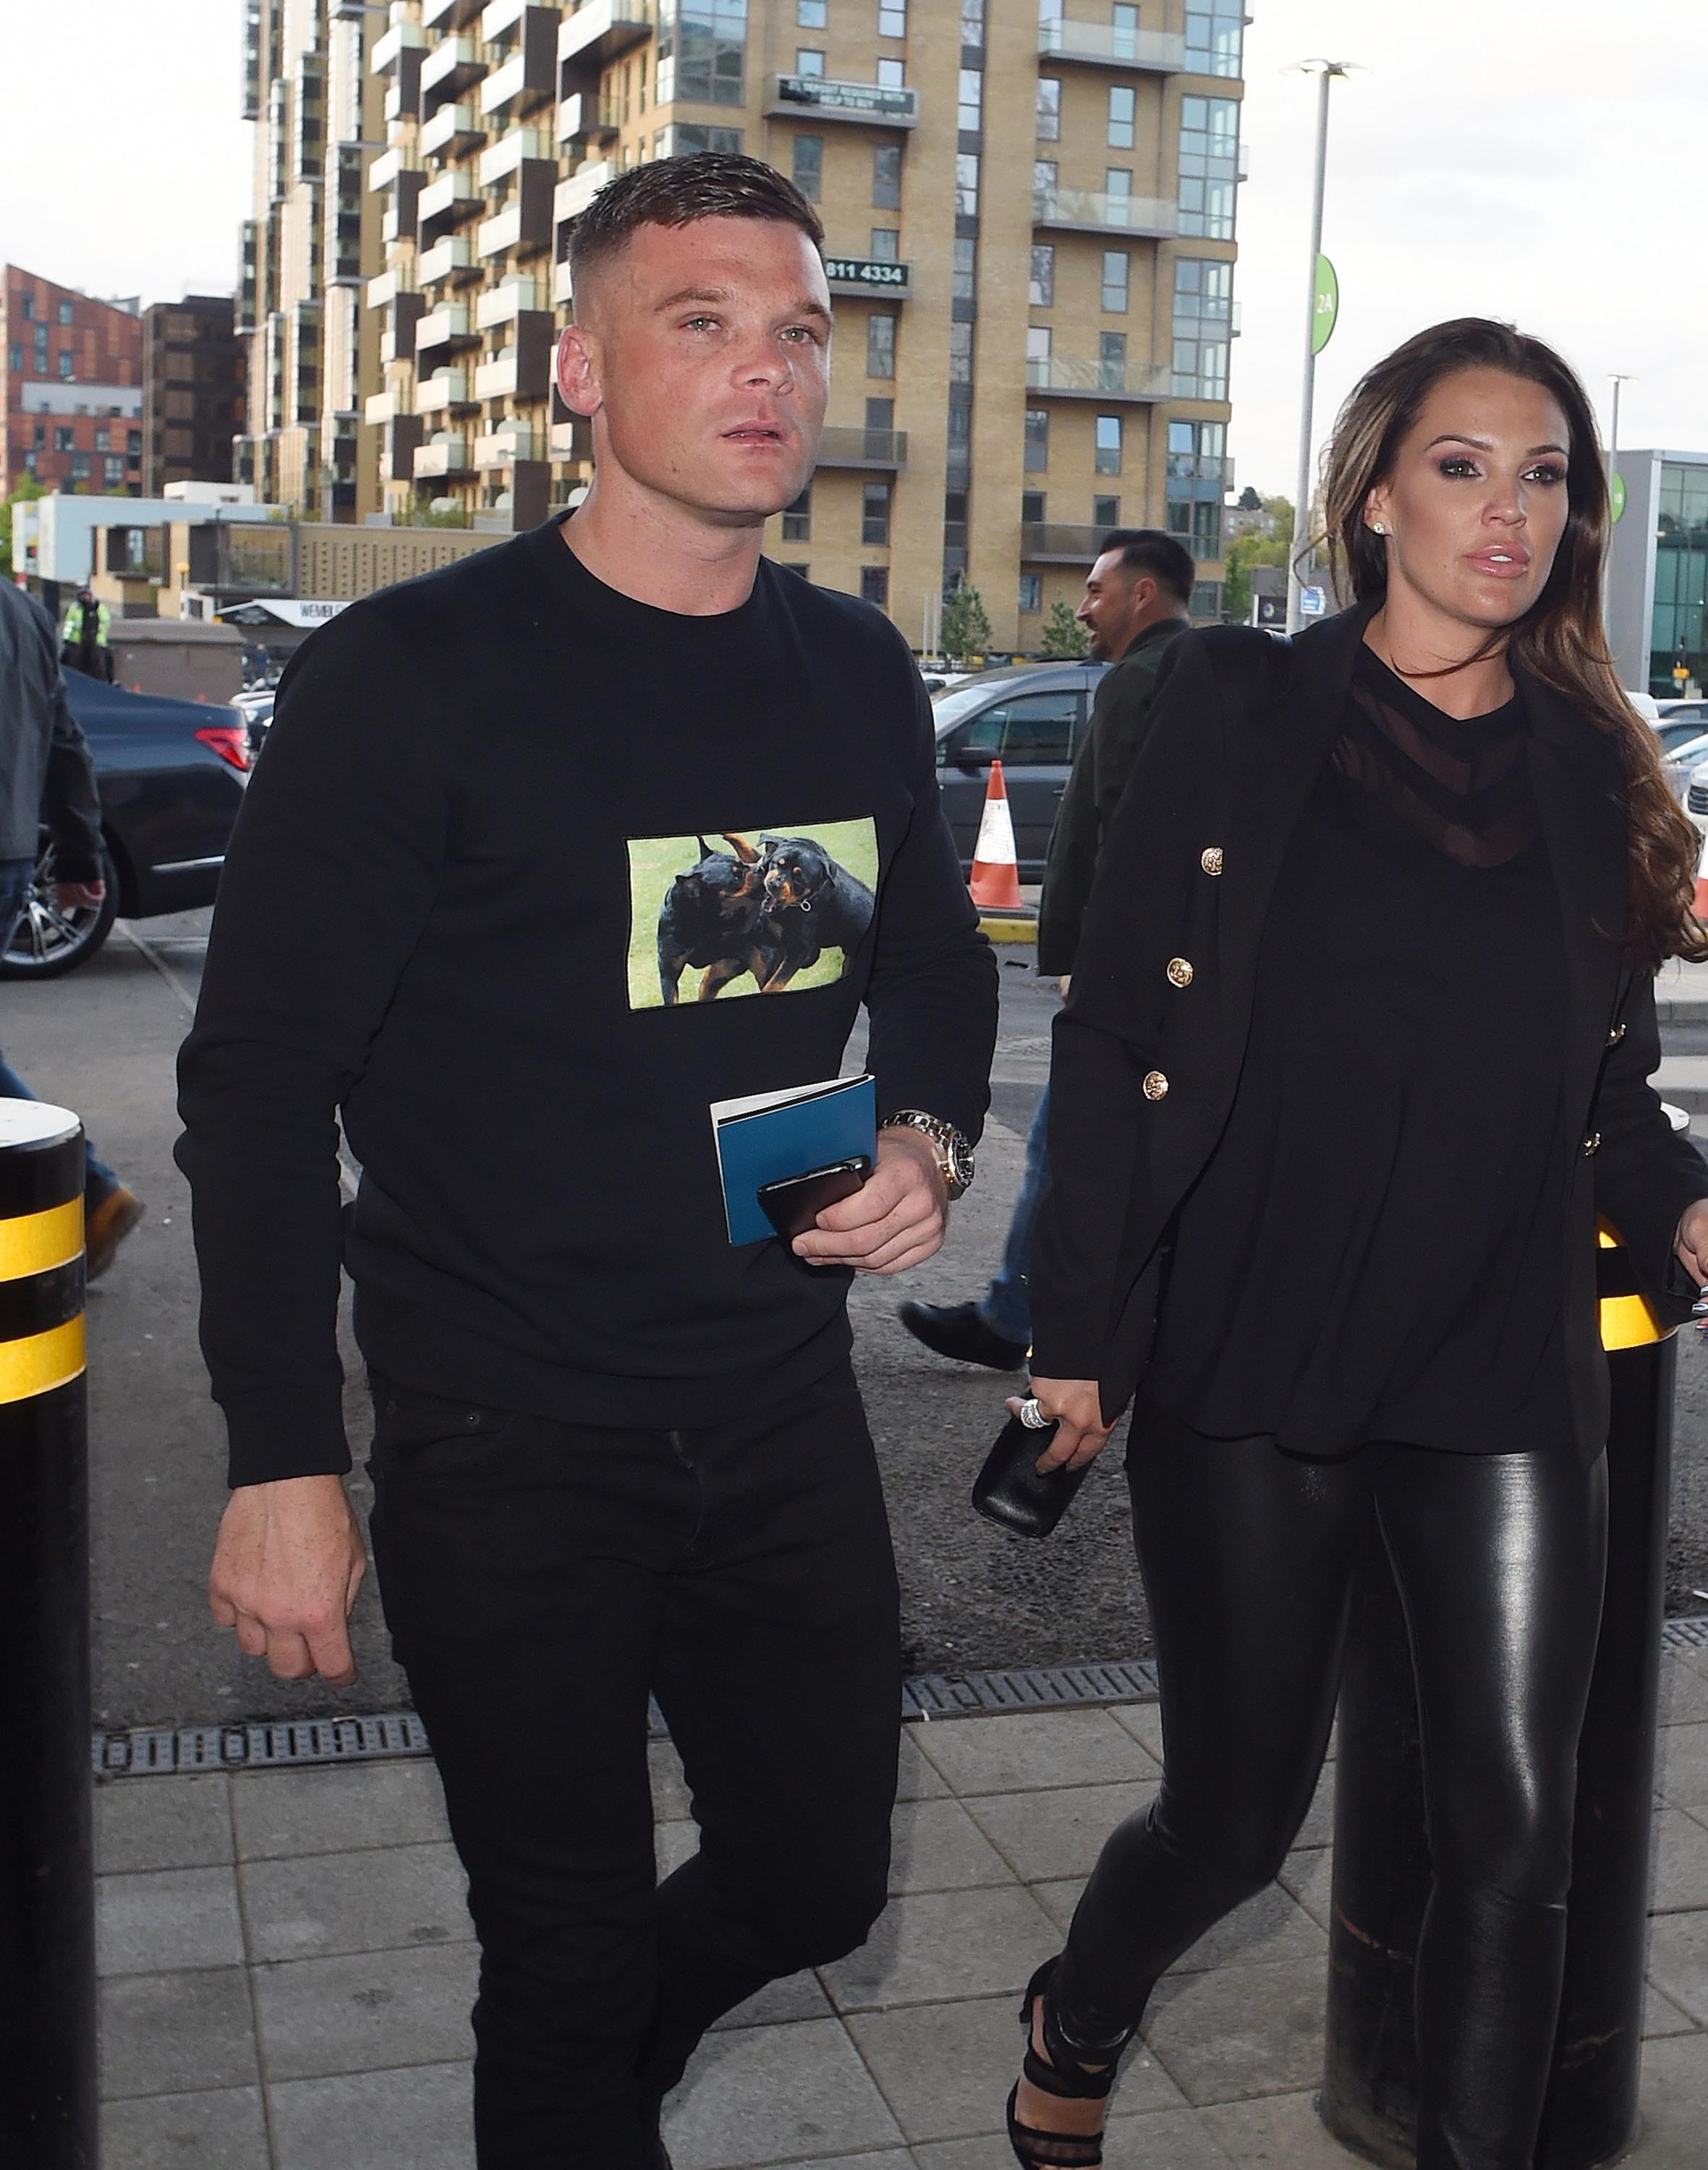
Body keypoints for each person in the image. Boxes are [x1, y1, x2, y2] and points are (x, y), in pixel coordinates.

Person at [176, 155, 997, 2169]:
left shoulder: (852, 668)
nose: (766, 373)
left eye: (797, 332)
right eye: (700, 323)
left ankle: (582, 2083)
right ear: (575, 368)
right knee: (552, 1952)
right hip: (502, 1434)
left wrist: (926, 1133)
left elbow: (931, 958)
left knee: (817, 1888)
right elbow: (258, 1088)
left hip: (772, 1409)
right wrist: (282, 1459)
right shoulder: (415, 678)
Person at [999, 319, 1708, 2170]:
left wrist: (1687, 1207)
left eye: (1544, 475)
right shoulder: (1234, 707)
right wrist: (1079, 1332)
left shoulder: (1592, 763)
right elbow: (1114, 1037)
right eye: (1461, 465)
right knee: (1233, 1817)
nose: (1506, 510)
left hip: (1498, 1366)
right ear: (1370, 493)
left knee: (1519, 1828)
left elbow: (1607, 1096)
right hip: (1259, 1356)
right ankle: (1077, 2007)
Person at [898, 530, 1192, 1371]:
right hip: (1171, 968)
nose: (1083, 607)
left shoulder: (1142, 679)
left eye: (1097, 590)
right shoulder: (1197, 676)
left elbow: (1117, 834)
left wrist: (1085, 956)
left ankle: (1015, 1317)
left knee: (1066, 1145)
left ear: (1142, 594)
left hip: (1129, 973)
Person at [0, 576, 145, 1275]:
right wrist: (78, 854)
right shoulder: (25, 613)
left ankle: (88, 1190)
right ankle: (90, 1193)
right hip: (9, 856)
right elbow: (63, 738)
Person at [59, 584, 111, 681]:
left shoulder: (99, 608)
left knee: (106, 661)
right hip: (76, 641)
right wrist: (66, 639)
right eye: (83, 595)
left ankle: (110, 680)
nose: (85, 597)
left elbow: (105, 622)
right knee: (65, 658)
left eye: (87, 595)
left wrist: (96, 632)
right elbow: (69, 623)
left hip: (96, 642)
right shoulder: (74, 608)